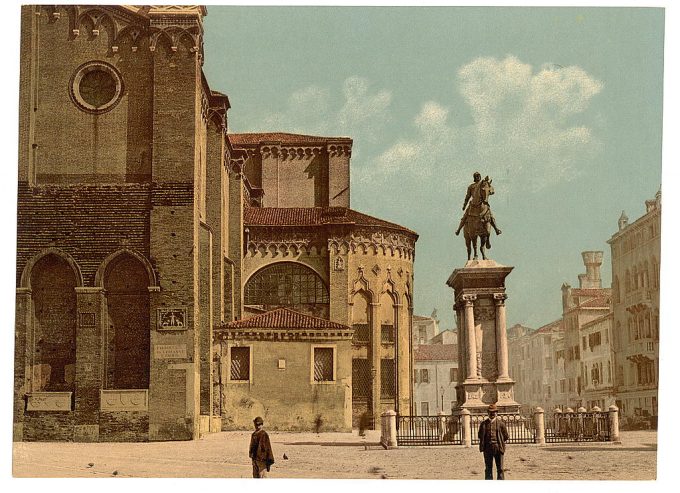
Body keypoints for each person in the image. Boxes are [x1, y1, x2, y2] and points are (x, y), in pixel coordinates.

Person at [455, 172, 502, 237]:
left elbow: (490, 190)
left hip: (483, 203)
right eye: (476, 176)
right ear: (474, 178)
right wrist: (464, 205)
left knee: (490, 215)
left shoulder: (483, 184)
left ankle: (496, 229)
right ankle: (459, 229)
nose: (478, 177)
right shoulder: (471, 186)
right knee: (465, 216)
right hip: (473, 205)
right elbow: (468, 196)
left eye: (479, 176)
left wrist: (490, 191)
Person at [477, 404, 509, 480]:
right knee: (488, 469)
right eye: (490, 412)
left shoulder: (501, 424)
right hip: (487, 448)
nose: (492, 414)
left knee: (500, 469)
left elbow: (506, 436)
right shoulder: (483, 424)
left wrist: (498, 442)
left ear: (496, 413)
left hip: (498, 447)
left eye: (493, 412)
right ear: (487, 413)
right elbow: (480, 435)